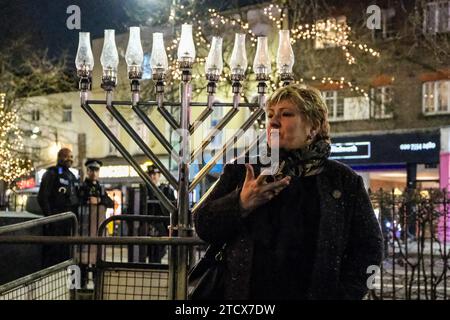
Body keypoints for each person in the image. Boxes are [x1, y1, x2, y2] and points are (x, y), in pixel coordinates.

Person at [193, 84, 383, 300]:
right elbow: (202, 225)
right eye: (270, 114)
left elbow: (370, 247)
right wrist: (240, 204)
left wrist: (346, 294)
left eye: (286, 114)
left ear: (314, 126)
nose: (273, 121)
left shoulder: (343, 181)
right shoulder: (244, 171)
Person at [38, 148, 80, 267]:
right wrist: (49, 217)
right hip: (55, 220)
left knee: (66, 251)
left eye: (71, 157)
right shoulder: (51, 173)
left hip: (69, 221)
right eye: (66, 156)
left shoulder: (72, 176)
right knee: (53, 252)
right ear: (59, 157)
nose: (70, 159)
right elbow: (43, 197)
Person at [78, 159, 114, 288]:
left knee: (97, 262)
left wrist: (98, 199)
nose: (94, 172)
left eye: (96, 170)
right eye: (91, 170)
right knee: (81, 262)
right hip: (84, 230)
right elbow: (77, 201)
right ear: (87, 171)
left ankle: (97, 288)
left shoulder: (101, 187)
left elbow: (110, 203)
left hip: (97, 230)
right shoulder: (81, 187)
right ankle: (80, 289)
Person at [143, 164, 175, 263]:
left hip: (161, 224)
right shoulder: (144, 189)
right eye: (151, 174)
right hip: (148, 223)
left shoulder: (165, 189)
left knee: (160, 249)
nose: (153, 176)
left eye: (155, 174)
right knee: (150, 250)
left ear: (159, 175)